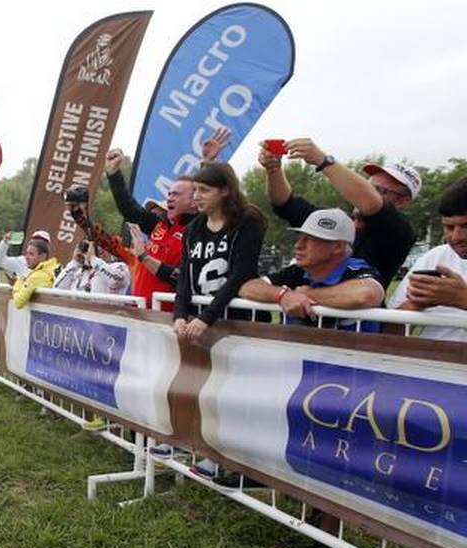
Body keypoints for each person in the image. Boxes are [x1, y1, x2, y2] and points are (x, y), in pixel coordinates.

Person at [172, 162, 266, 479]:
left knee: (239, 393)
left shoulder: (247, 222)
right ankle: (207, 450)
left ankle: (241, 463)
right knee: (206, 388)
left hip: (237, 322)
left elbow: (240, 274)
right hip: (203, 323)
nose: (197, 196)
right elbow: (185, 276)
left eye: (204, 190)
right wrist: (180, 315)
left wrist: (208, 316)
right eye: (195, 189)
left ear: (225, 189)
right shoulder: (193, 229)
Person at [259, 138, 419, 288]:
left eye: (380, 191)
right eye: (369, 185)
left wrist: (323, 161)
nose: (368, 192)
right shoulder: (334, 222)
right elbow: (285, 204)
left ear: (403, 202)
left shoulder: (400, 232)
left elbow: (371, 203)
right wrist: (274, 170)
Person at [101, 129, 229, 308]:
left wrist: (207, 163)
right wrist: (114, 174)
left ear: (195, 202)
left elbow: (181, 277)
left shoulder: (198, 230)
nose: (169, 198)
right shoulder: (159, 225)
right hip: (141, 313)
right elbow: (129, 209)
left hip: (170, 319)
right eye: (169, 193)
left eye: (176, 194)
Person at [240, 208, 384, 331]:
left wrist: (309, 295)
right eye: (300, 238)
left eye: (309, 239)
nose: (298, 245)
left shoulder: (355, 269)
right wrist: (282, 295)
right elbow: (247, 287)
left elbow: (368, 294)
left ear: (338, 247)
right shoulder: (297, 271)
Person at [389, 176, 467, 341]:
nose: (456, 236)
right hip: (432, 363)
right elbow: (388, 330)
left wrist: (462, 299)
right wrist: (416, 304)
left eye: (465, 226)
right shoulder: (437, 257)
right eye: (449, 227)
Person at [54, 239, 130, 295]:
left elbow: (116, 280)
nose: (100, 249)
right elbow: (56, 290)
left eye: (104, 247)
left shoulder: (119, 267)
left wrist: (93, 259)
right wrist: (74, 262)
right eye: (96, 246)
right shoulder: (77, 270)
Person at [12, 238, 60, 309]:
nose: (26, 257)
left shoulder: (36, 277)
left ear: (42, 256)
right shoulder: (53, 268)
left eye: (31, 254)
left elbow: (18, 303)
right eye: (26, 253)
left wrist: (19, 282)